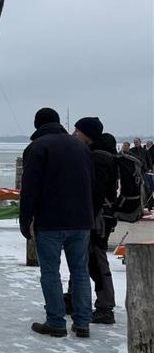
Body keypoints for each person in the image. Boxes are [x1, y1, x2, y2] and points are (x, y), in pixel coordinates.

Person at [19, 108, 94, 338]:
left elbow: (29, 188)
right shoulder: (81, 147)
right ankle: (82, 323)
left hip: (50, 220)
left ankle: (56, 322)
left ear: (37, 124)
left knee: (51, 272)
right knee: (80, 272)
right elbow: (91, 183)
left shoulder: (37, 148)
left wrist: (25, 219)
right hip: (81, 220)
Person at [63, 119, 118, 325]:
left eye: (78, 130)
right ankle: (74, 296)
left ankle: (105, 306)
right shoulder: (97, 153)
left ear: (88, 134)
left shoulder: (98, 157)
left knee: (96, 257)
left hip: (98, 217)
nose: (74, 133)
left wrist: (85, 215)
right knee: (81, 255)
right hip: (98, 215)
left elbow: (97, 191)